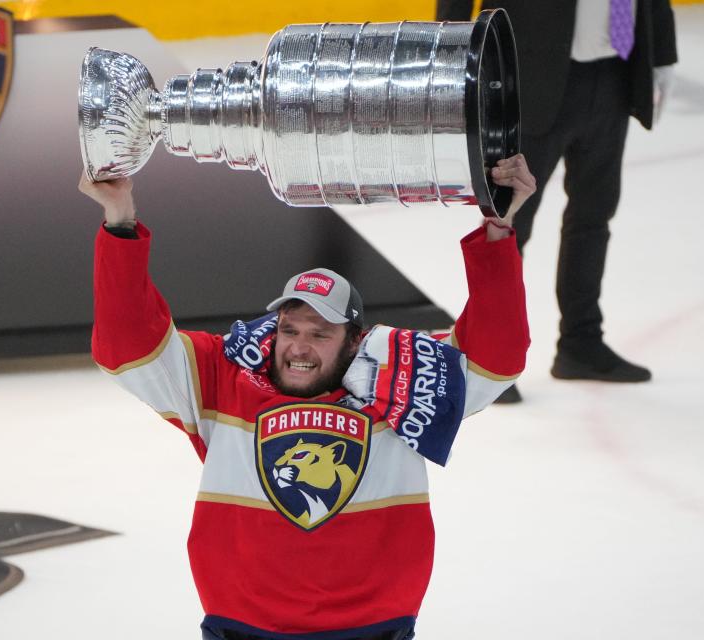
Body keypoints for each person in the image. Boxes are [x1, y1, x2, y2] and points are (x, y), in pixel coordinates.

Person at [80, 155, 535, 640]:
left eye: (320, 334)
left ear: (354, 341)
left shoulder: (403, 382)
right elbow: (127, 347)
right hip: (243, 629)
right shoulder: (222, 377)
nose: (297, 346)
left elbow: (496, 357)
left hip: (372, 629)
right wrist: (120, 220)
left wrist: (497, 229)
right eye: (289, 329)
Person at [438, 0, 678, 403]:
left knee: (594, 215)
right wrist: (445, 55)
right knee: (508, 223)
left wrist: (663, 54)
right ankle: (488, 358)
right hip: (529, 74)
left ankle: (580, 342)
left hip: (615, 72)